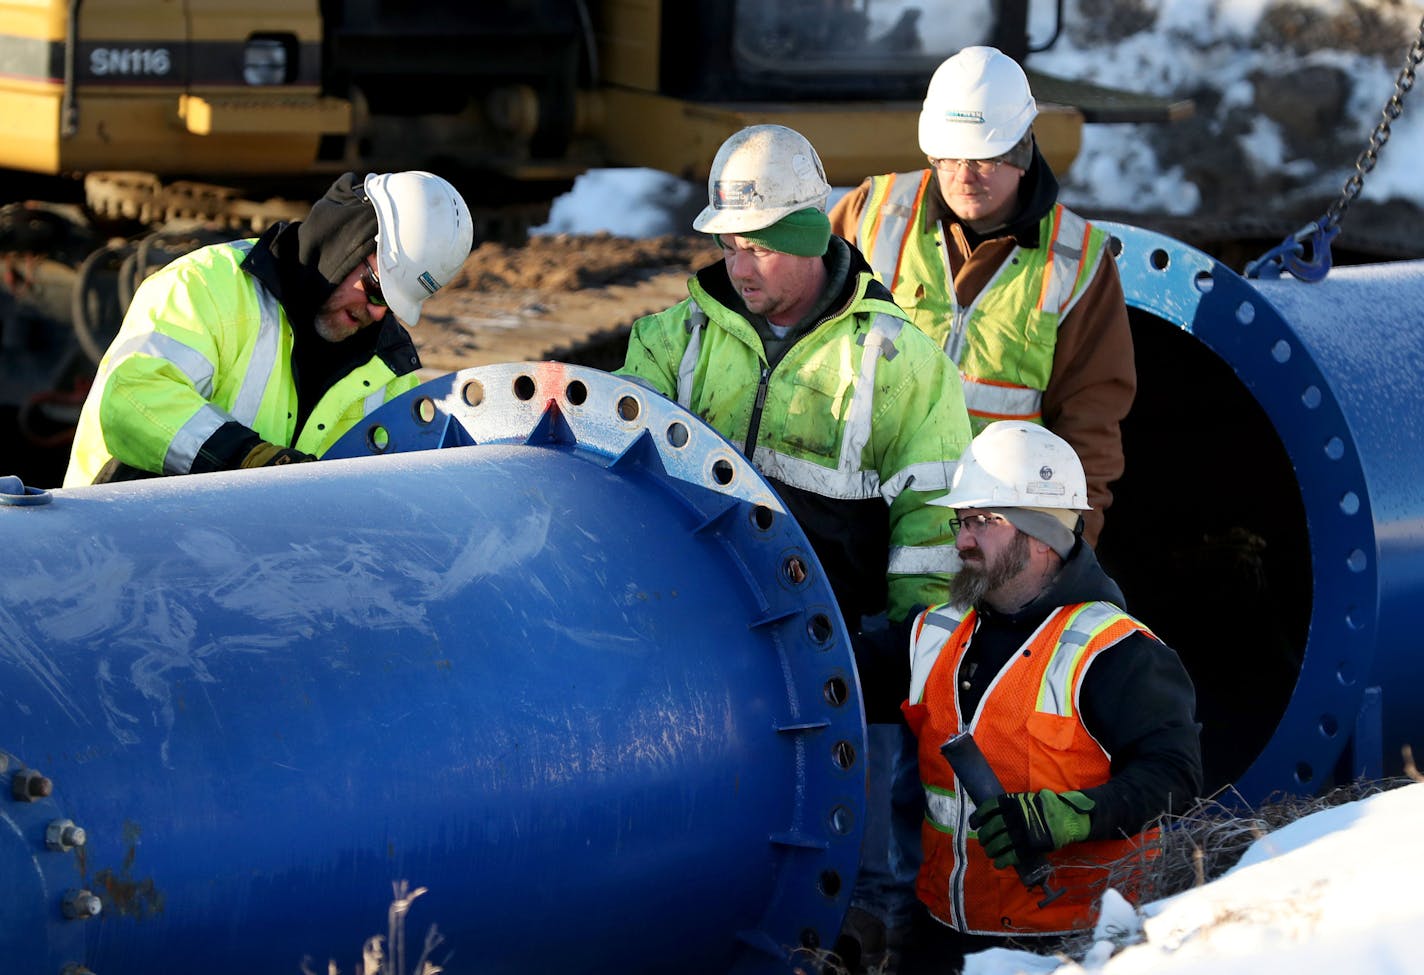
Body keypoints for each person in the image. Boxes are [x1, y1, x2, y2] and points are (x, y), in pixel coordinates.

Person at [853, 421, 1202, 974]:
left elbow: (1175, 776)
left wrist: (1070, 817)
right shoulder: (934, 634)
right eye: (960, 522)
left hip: (1074, 947)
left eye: (981, 522)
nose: (961, 540)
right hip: (940, 934)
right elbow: (834, 682)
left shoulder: (1115, 651)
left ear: (1041, 534)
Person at [617, 123, 972, 626]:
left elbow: (935, 534)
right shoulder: (672, 340)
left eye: (760, 250)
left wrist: (909, 649)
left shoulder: (899, 362)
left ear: (808, 243)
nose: (740, 270)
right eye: (729, 247)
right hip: (693, 622)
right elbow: (618, 471)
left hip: (833, 645)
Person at [829, 45, 1134, 547]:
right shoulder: (871, 214)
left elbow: (1090, 425)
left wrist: (1068, 545)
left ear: (1021, 151)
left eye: (984, 158)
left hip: (989, 532)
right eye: (948, 158)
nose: (964, 176)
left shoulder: (1077, 261)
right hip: (857, 508)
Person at [64, 170, 473, 486]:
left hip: (236, 573)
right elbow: (133, 400)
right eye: (376, 289)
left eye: (394, 305)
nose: (378, 313)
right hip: (108, 545)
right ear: (348, 238)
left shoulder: (388, 372)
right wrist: (245, 458)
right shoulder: (204, 286)